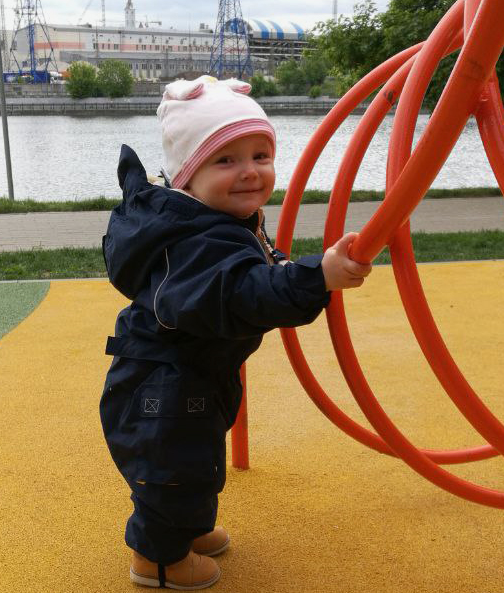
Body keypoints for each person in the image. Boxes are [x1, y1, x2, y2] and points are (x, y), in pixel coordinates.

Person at [100, 76, 372, 590]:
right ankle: (158, 560)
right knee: (173, 469)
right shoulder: (193, 241)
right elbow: (239, 293)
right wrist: (315, 278)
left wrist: (291, 270)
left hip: (193, 373)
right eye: (225, 161)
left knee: (196, 460)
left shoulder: (217, 217)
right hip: (164, 384)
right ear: (187, 175)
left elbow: (257, 267)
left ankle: (187, 529)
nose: (249, 172)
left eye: (260, 155)